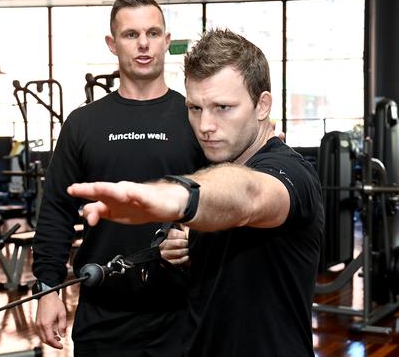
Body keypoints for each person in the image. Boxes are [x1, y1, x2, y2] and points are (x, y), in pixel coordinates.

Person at [67, 29, 324, 356]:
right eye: (195, 108)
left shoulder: (292, 172)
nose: (205, 125)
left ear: (262, 106)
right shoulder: (215, 164)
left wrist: (177, 197)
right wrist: (185, 248)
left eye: (223, 107)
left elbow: (249, 195)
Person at [31, 0, 207, 356]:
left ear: (166, 40)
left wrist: (194, 237)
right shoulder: (83, 123)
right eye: (131, 35)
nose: (143, 43)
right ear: (112, 44)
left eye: (153, 33)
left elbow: (221, 199)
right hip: (104, 309)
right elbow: (55, 211)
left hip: (182, 309)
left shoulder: (195, 117)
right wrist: (48, 289)